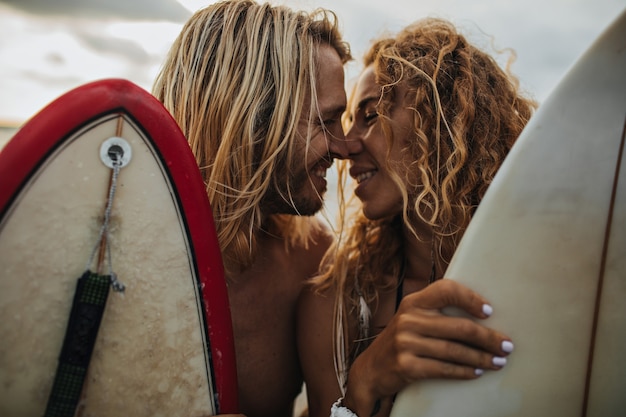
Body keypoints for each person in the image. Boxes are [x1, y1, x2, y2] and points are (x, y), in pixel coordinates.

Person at [298, 17, 537, 417]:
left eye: (370, 115)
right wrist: (364, 382)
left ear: (444, 124)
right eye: (345, 121)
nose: (346, 146)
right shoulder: (337, 304)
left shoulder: (548, 272)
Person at [152, 1, 352, 416]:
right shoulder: (112, 246)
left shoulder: (312, 260)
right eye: (326, 121)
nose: (344, 146)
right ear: (256, 117)